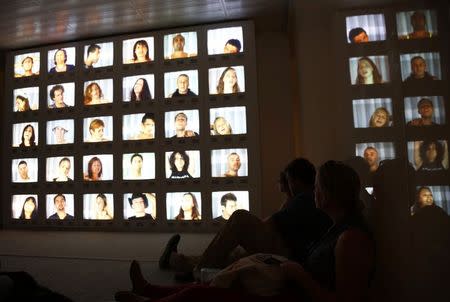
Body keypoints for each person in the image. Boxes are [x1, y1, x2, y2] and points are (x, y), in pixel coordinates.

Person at [159, 158, 331, 275]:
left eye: (288, 181)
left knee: (239, 219)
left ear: (294, 180)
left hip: (288, 254)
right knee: (232, 256)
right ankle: (177, 260)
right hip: (287, 250)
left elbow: (269, 224)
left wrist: (288, 195)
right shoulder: (305, 199)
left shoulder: (304, 199)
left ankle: (198, 273)